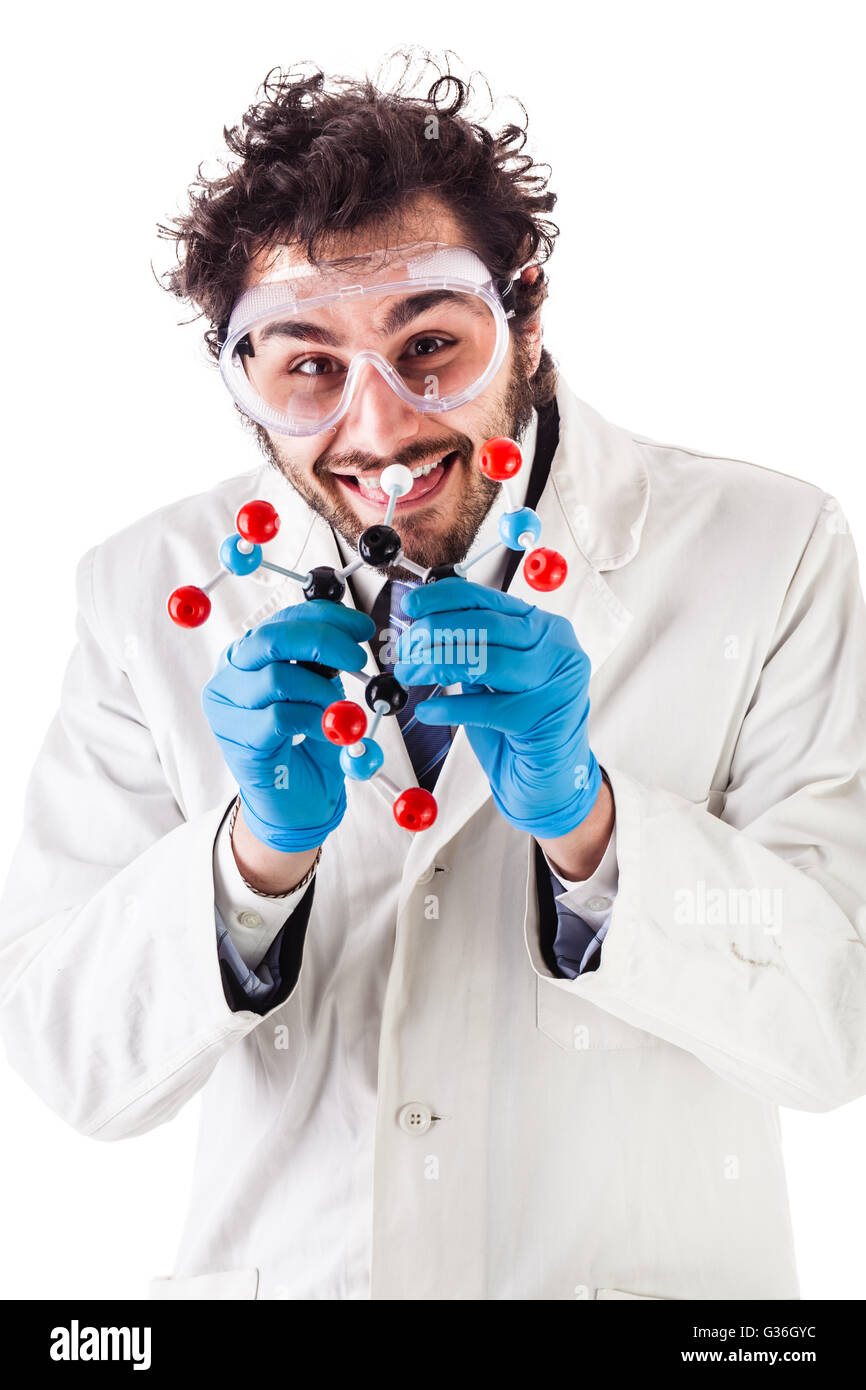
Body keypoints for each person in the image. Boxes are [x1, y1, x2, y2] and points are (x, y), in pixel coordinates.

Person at [1, 60, 865, 1303]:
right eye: (306, 367)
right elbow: (70, 1060)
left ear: (523, 309)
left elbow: (834, 1021)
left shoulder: (762, 547)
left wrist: (592, 828)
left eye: (429, 346)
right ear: (240, 379)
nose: (379, 429)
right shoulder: (147, 591)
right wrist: (251, 866)